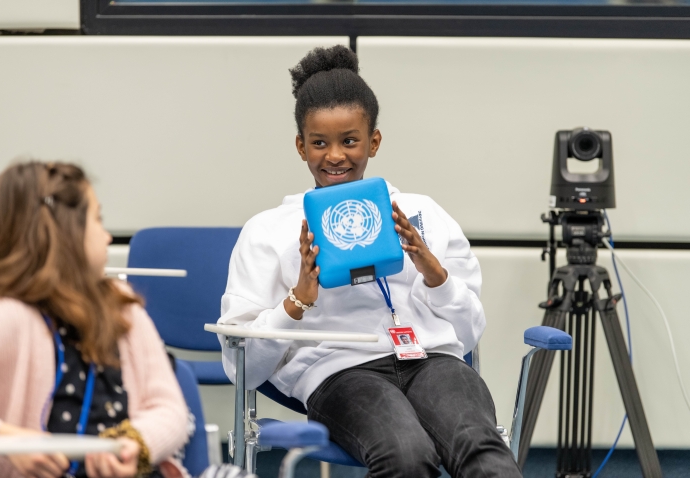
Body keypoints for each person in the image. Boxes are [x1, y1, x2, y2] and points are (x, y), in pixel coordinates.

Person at [218, 46, 522, 477]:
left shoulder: (422, 213)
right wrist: (297, 302)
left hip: (432, 360)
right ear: (300, 146)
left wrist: (436, 279)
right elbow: (241, 367)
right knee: (404, 453)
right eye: (319, 143)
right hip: (340, 373)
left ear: (373, 142)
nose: (335, 155)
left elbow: (470, 333)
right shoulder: (268, 230)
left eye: (350, 141)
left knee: (480, 446)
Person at [0, 162, 189, 478]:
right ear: (66, 233)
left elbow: (169, 409)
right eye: (98, 220)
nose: (108, 236)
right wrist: (5, 438)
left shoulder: (122, 308)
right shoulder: (5, 318)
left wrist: (134, 444)